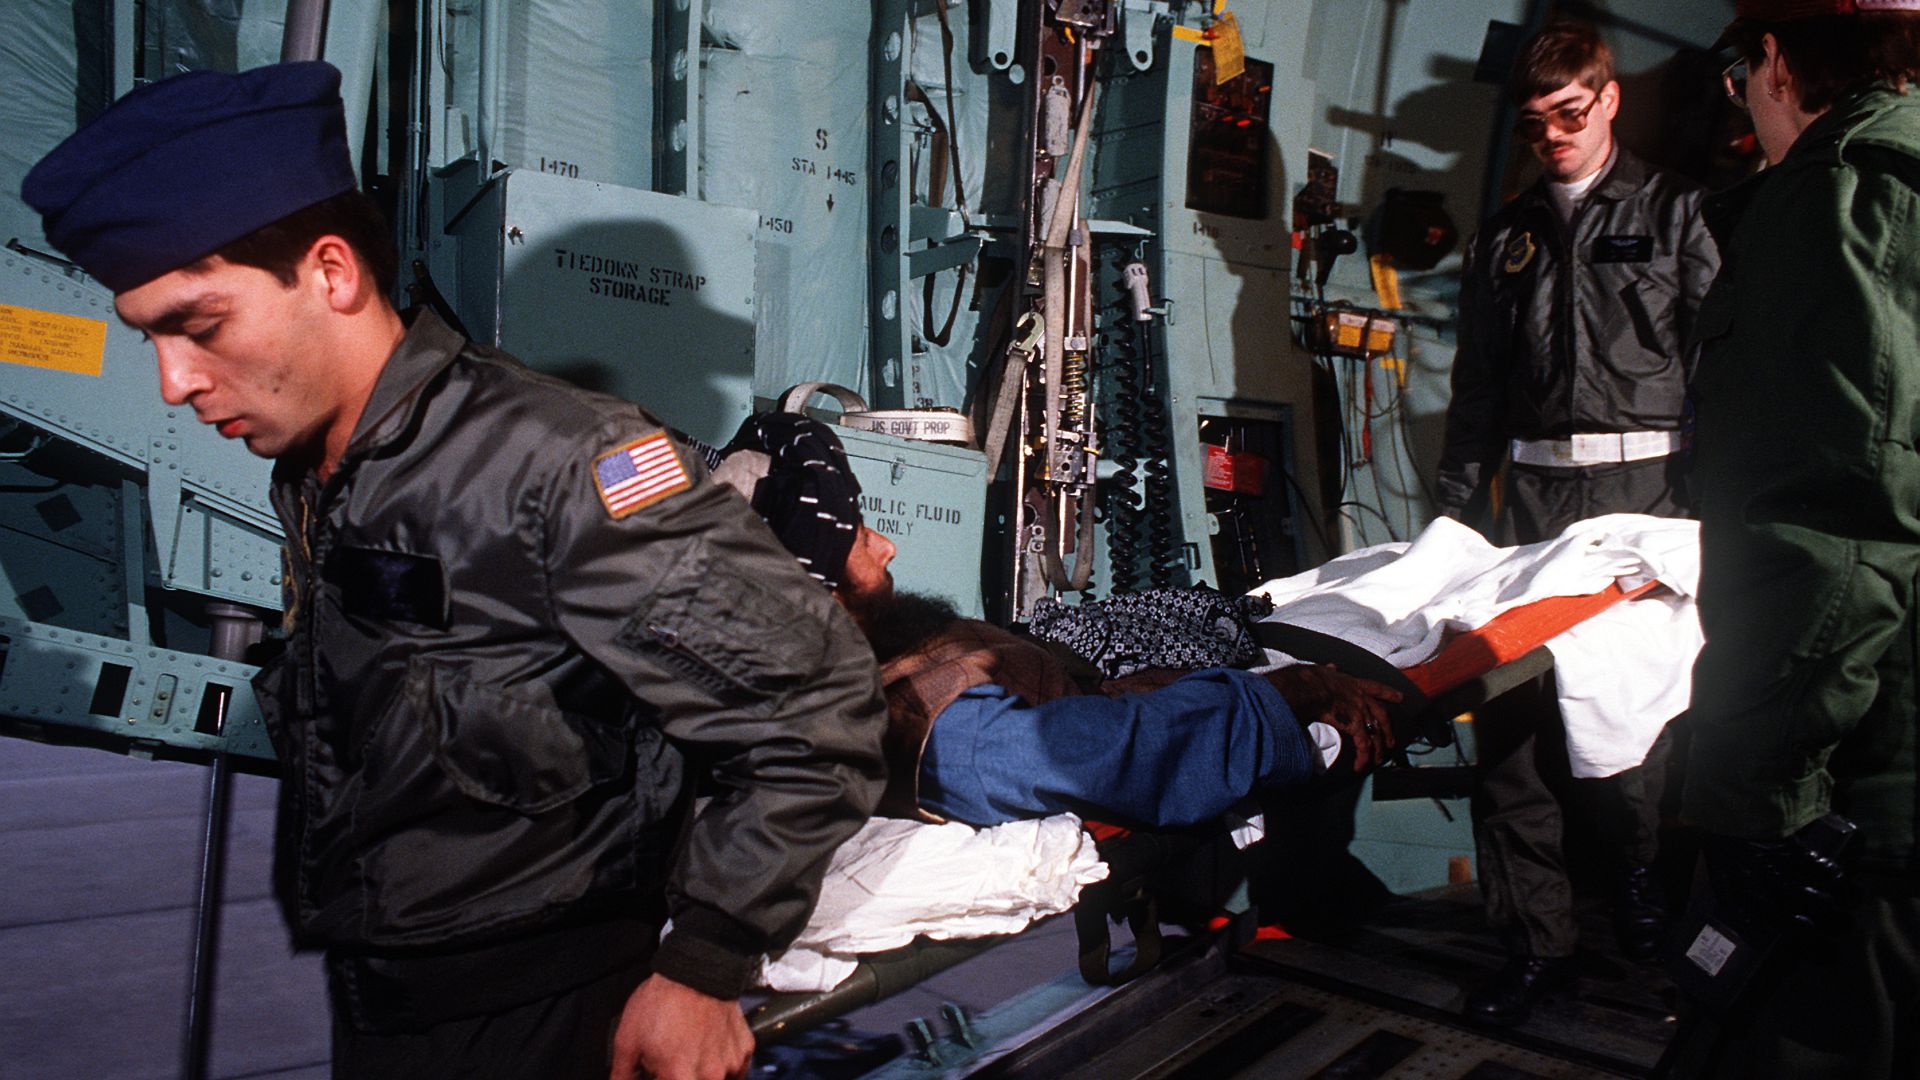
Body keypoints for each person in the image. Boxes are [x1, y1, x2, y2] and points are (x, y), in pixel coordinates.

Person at [21, 63, 888, 1080]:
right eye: (153, 339)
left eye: (199, 326)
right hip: (389, 999)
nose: (174, 382)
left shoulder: (560, 461)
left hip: (545, 1013)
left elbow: (814, 701)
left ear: (332, 273)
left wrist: (702, 968)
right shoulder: (324, 471)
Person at [1434, 22, 1721, 1025]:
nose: (1554, 134)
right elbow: (1478, 392)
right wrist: (1453, 530)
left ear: (1607, 99)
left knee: (1639, 724)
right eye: (1535, 121)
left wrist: (1712, 515)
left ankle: (1646, 889)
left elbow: (1720, 374)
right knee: (1509, 725)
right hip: (1535, 510)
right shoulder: (1507, 236)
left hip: (1648, 502)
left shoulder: (1681, 212)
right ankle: (1535, 946)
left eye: (1571, 112)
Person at [713, 412, 1403, 829]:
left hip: (1084, 659)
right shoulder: (938, 734)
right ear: (819, 601)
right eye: (857, 540)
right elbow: (1130, 757)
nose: (886, 545)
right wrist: (1294, 693)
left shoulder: (864, 657)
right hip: (1121, 693)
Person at [1679, 3, 1920, 1075]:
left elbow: (1833, 524)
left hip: (1867, 776)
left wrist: (1759, 803)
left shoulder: (1845, 195)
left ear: (1775, 58)